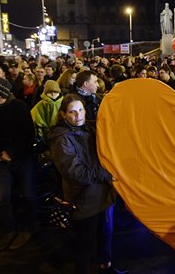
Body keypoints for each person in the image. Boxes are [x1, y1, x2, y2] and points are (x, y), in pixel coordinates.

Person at [48, 94, 127, 274]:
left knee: (104, 237)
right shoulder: (62, 139)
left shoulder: (90, 128)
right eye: (72, 112)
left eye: (81, 110)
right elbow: (76, 173)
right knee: (84, 246)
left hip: (104, 197)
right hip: (84, 201)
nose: (78, 115)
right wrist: (107, 174)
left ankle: (106, 266)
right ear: (63, 115)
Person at [0, 77, 37, 251]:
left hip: (22, 159)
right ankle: (9, 230)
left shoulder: (19, 108)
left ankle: (27, 228)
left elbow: (28, 136)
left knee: (28, 195)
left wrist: (12, 152)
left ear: (0, 94)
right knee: (1, 199)